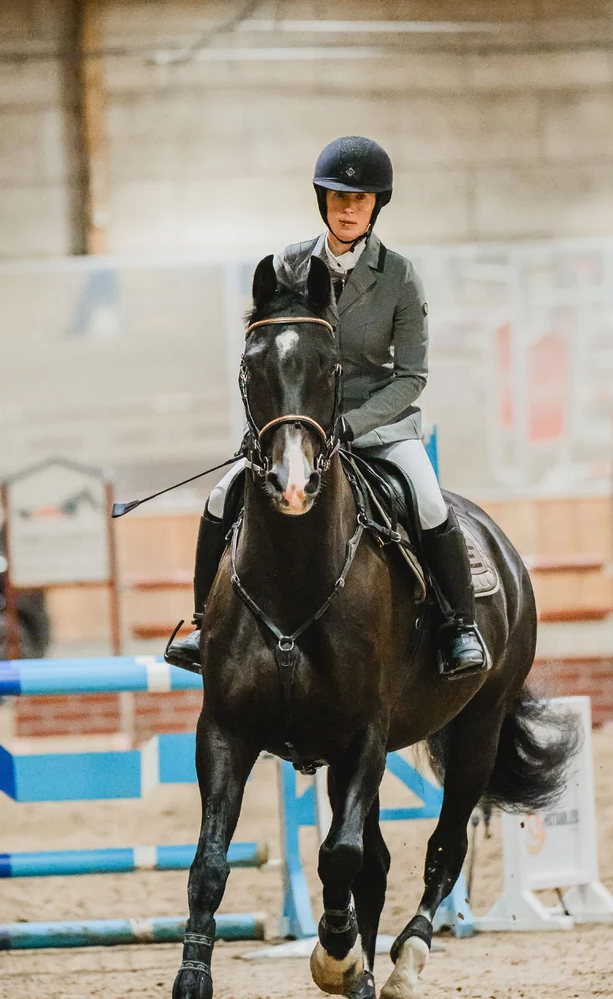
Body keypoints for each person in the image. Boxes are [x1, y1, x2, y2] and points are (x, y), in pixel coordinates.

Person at [165, 135, 489, 679]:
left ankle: (459, 627)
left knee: (429, 502)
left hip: (377, 421)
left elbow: (412, 377)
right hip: (297, 422)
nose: (347, 208)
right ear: (322, 201)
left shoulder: (400, 277)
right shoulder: (287, 264)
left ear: (375, 206)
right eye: (337, 197)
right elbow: (265, 354)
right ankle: (204, 626)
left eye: (359, 199)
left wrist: (349, 424)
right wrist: (274, 425)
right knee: (222, 498)